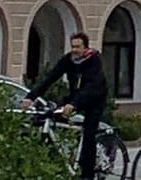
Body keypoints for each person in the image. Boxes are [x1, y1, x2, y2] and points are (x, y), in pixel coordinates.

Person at [29, 31, 109, 180]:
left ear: (85, 48)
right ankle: (66, 157)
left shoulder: (94, 60)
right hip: (75, 96)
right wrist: (31, 97)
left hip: (94, 98)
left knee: (89, 133)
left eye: (78, 47)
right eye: (72, 46)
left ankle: (87, 174)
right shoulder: (68, 60)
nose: (74, 50)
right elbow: (51, 78)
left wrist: (73, 104)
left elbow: (91, 86)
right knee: (53, 117)